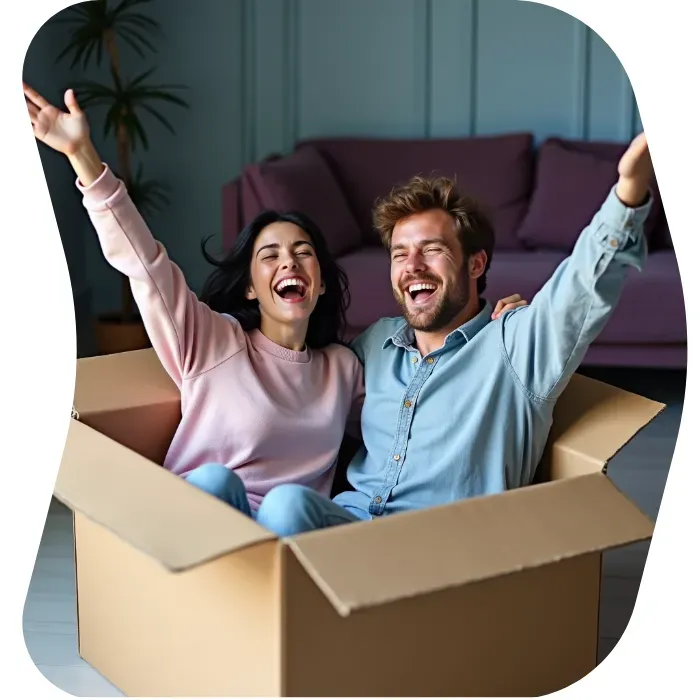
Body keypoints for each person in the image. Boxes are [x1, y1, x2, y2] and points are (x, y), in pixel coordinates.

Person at [23, 81, 529, 519]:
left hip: (292, 550)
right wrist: (82, 157)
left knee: (288, 505)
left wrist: (492, 330)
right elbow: (145, 264)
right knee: (218, 483)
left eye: (303, 253)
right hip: (197, 535)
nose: (288, 263)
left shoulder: (343, 370)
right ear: (249, 285)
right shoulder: (209, 340)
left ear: (322, 282)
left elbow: (421, 401)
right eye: (270, 256)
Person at [255, 132, 655, 537]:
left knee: (284, 507)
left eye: (432, 250)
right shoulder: (375, 344)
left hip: (438, 551)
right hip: (346, 529)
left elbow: (582, 285)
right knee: (221, 488)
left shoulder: (515, 346)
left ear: (476, 264)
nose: (412, 266)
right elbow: (304, 388)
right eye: (399, 254)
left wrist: (628, 193)